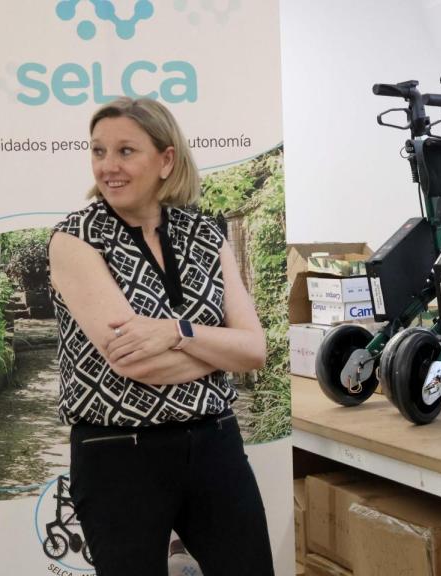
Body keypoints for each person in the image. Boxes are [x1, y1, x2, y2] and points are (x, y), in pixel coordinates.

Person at [48, 97, 275, 575]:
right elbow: (136, 362)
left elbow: (255, 350)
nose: (108, 166)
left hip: (214, 443)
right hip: (117, 454)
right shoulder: (76, 238)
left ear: (166, 159)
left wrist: (177, 332)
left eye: (125, 151)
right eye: (98, 151)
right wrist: (221, 349)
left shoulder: (205, 233)